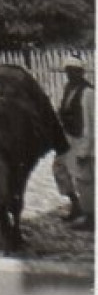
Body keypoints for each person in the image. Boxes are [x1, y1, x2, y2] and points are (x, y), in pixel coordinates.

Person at [52, 53, 94, 233]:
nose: (70, 74)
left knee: (84, 179)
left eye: (74, 71)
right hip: (68, 137)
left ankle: (91, 217)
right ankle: (75, 204)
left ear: (81, 72)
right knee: (59, 169)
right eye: (68, 71)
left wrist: (85, 150)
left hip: (82, 140)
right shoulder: (68, 88)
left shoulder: (88, 92)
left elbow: (91, 123)